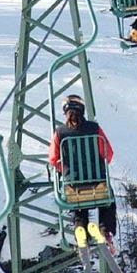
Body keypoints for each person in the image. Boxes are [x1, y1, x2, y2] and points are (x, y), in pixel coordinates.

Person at [48, 94, 117, 251]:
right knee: (108, 203)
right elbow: (108, 154)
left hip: (72, 188)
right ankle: (105, 232)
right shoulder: (95, 129)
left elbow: (53, 159)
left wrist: (65, 171)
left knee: (79, 208)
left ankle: (81, 233)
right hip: (98, 185)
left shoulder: (59, 133)